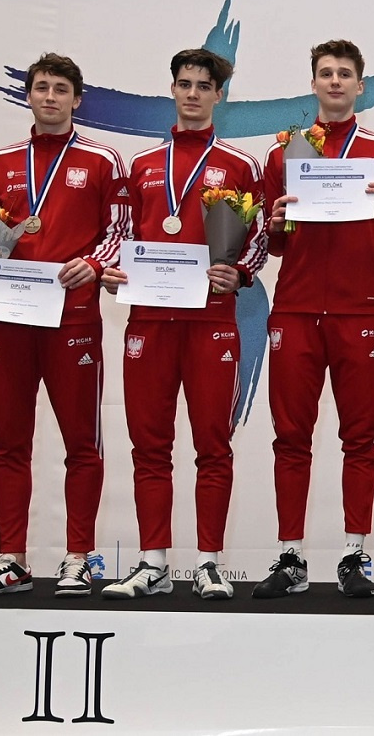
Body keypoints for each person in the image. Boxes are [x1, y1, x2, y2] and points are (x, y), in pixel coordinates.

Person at [254, 39, 374, 598]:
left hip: (360, 312)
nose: (334, 83)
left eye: (344, 74)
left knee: (360, 437)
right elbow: (271, 247)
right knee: (290, 437)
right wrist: (275, 221)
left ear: (360, 86)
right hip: (296, 310)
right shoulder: (285, 153)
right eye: (325, 74)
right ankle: (290, 556)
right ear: (313, 83)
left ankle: (355, 554)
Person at [97, 48, 267, 600]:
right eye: (184, 84)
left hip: (211, 321)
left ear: (219, 96)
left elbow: (259, 238)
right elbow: (120, 233)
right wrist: (108, 268)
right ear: (172, 90)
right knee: (150, 445)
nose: (193, 93)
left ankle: (211, 562)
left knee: (213, 444)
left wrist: (238, 273)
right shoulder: (141, 164)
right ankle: (153, 562)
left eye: (203, 86)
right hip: (149, 320)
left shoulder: (241, 165)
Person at [0, 53, 127, 598]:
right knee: (8, 441)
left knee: (82, 443)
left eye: (60, 89)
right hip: (7, 317)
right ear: (27, 96)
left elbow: (118, 229)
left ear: (78, 99)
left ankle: (79, 557)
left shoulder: (103, 160)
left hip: (70, 313)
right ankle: (12, 558)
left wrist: (95, 264)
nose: (49, 96)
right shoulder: (1, 162)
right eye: (40, 88)